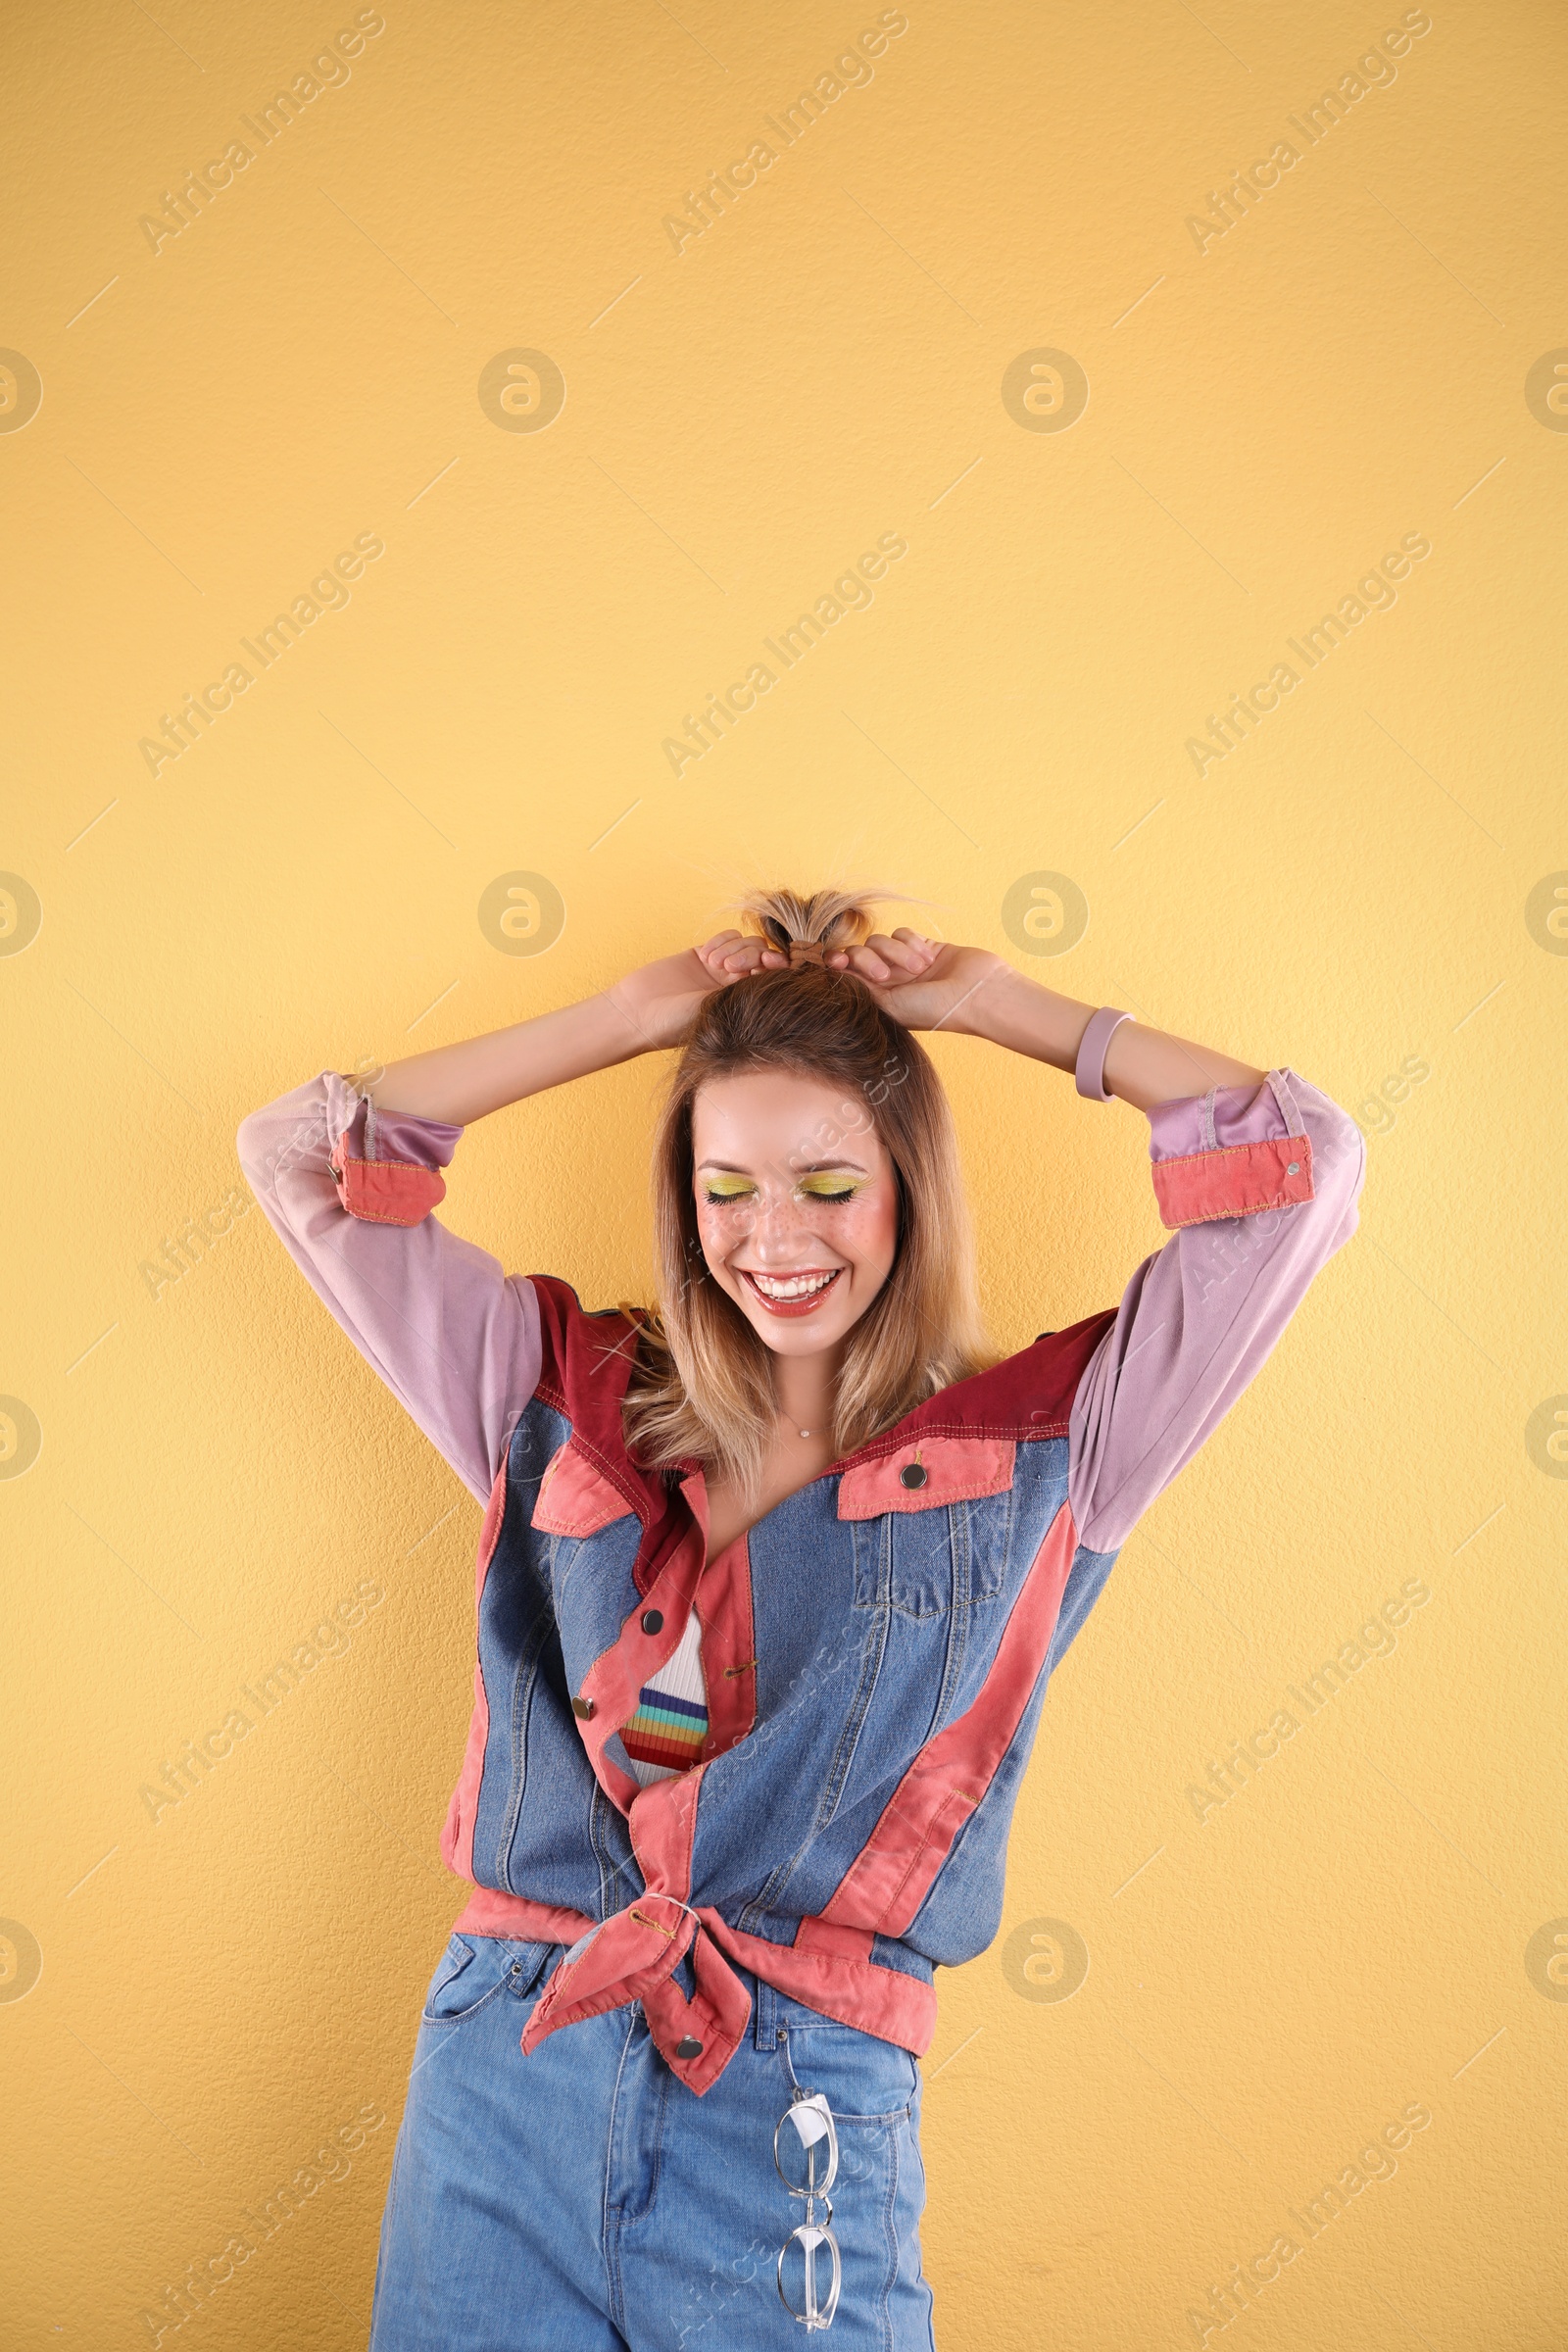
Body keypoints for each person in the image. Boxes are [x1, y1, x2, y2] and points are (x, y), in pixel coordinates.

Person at [235, 888, 1365, 2350]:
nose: (774, 1237)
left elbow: (1302, 1174)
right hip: (510, 2072)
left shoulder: (1048, 1451)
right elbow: (303, 1159)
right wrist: (640, 1020)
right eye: (727, 1189)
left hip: (801, 2109)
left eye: (829, 1186)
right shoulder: (560, 1402)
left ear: (906, 1187)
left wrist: (999, 1006)